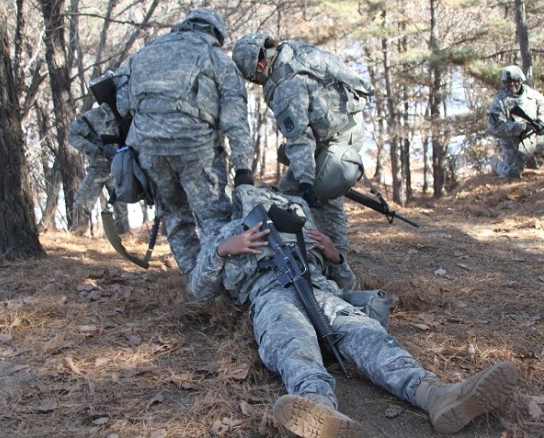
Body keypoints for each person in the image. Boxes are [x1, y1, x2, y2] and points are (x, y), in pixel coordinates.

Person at [188, 184, 519, 438]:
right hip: (270, 295)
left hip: (319, 291)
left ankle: (435, 395)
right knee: (290, 339)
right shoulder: (229, 230)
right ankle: (317, 407)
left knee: (367, 332)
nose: (266, 193)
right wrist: (221, 250)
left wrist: (334, 256)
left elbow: (349, 282)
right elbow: (200, 290)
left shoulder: (301, 226)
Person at [113, 8, 255, 276]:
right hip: (196, 150)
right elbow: (235, 120)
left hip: (149, 151)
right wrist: (244, 169)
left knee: (176, 217)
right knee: (214, 217)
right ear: (214, 32)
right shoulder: (217, 59)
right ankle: (221, 283)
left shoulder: (142, 55)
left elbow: (121, 105)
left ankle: (195, 281)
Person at [232, 34, 374, 257]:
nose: (256, 83)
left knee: (318, 194)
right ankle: (318, 251)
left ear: (260, 65)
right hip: (346, 125)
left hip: (339, 138)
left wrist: (307, 182)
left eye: (253, 78)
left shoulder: (284, 86)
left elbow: (300, 138)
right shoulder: (292, 51)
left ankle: (337, 259)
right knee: (293, 188)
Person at [488, 65, 544, 187]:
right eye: (508, 82)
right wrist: (521, 127)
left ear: (520, 80)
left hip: (536, 136)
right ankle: (495, 163)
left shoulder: (530, 93)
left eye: (515, 80)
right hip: (514, 143)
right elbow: (494, 128)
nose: (512, 84)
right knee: (511, 174)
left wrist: (541, 121)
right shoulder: (500, 101)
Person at [68, 103, 129, 235]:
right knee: (82, 201)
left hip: (119, 168)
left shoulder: (127, 114)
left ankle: (124, 237)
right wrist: (94, 149)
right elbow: (72, 135)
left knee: (121, 206)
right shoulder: (93, 116)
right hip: (98, 167)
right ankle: (79, 234)